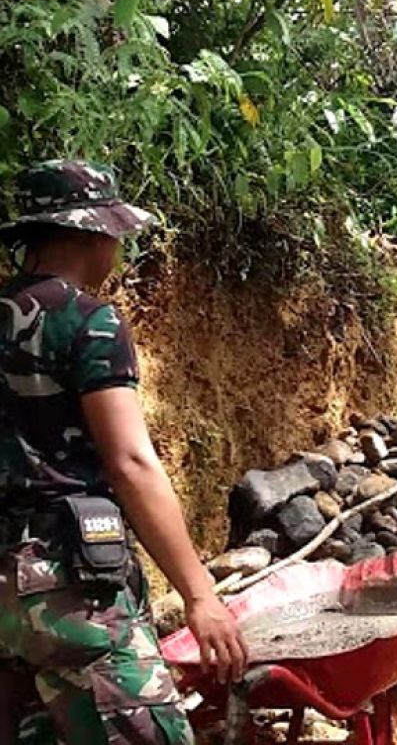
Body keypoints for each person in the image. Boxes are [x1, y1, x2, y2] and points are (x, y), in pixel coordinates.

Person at [0, 160, 247, 744]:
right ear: (96, 234)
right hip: (67, 589)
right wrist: (200, 595)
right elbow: (131, 462)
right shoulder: (88, 322)